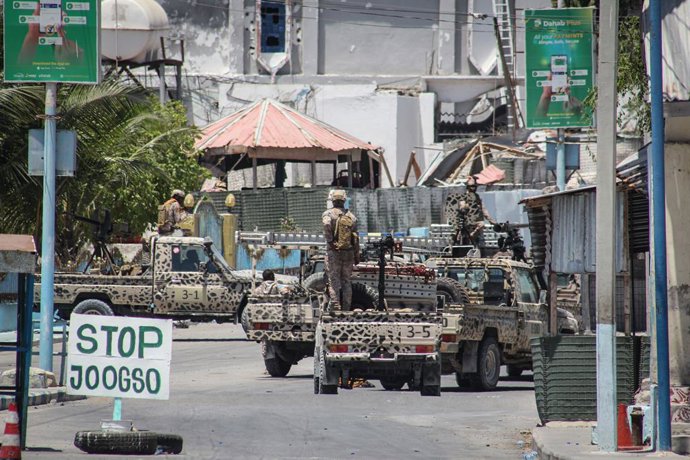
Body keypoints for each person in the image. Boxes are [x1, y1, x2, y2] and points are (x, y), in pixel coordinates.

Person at [322, 189, 359, 311]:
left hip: (334, 252)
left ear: (333, 200)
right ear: (344, 200)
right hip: (348, 253)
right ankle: (347, 308)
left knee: (333, 281)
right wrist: (356, 255)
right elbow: (355, 237)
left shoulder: (328, 214)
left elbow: (326, 225)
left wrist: (330, 241)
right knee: (346, 281)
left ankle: (336, 306)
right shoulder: (351, 217)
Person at [445, 176, 496, 251]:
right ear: (468, 187)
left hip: (474, 221)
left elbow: (483, 209)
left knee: (479, 227)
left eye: (475, 186)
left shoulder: (477, 197)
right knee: (456, 232)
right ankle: (451, 246)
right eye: (472, 186)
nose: (474, 188)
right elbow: (461, 207)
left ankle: (474, 242)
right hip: (465, 220)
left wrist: (491, 220)